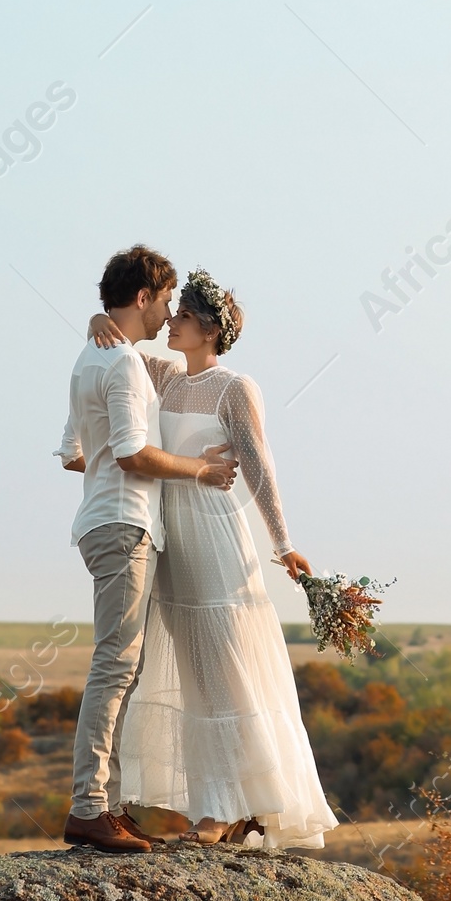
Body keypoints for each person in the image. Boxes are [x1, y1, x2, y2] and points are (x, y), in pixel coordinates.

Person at [85, 266, 337, 851]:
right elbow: (115, 342)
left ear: (208, 328)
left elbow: (259, 465)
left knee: (227, 672)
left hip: (219, 538)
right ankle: (226, 805)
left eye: (183, 317)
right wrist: (97, 316)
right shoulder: (165, 377)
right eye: (172, 313)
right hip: (172, 541)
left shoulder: (235, 387)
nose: (170, 321)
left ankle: (227, 810)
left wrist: (282, 543)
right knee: (197, 678)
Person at [57, 245, 238, 855]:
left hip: (102, 520)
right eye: (164, 302)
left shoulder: (92, 357)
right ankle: (89, 808)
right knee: (115, 665)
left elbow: (75, 453)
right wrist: (198, 470)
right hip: (125, 525)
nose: (166, 316)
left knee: (122, 666)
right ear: (143, 297)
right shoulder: (126, 365)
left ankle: (104, 806)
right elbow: (132, 454)